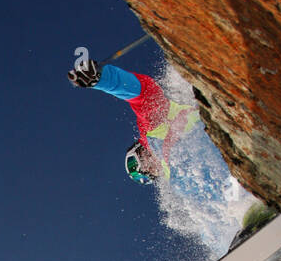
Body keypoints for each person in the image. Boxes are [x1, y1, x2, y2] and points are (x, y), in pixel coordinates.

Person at [68, 58, 200, 183]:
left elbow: (146, 93)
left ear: (140, 151)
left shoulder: (154, 131)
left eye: (140, 163)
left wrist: (103, 79)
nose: (149, 168)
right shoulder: (177, 178)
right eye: (150, 173)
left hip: (208, 117)